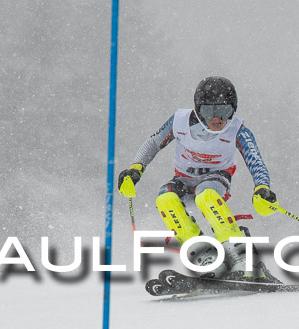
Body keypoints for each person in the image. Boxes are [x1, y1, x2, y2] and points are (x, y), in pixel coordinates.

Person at [118, 76, 280, 280]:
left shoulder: (237, 129)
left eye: (224, 111)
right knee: (165, 199)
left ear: (233, 110)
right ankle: (207, 257)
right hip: (184, 180)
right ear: (197, 109)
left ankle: (242, 257)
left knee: (206, 196)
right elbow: (153, 143)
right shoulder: (180, 121)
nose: (217, 119)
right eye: (209, 111)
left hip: (216, 177)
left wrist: (262, 187)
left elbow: (255, 159)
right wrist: (135, 169)